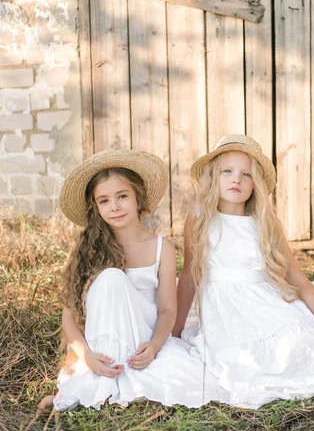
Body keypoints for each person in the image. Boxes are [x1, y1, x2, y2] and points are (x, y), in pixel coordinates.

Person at [172, 134, 314, 409]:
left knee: (297, 341)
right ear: (213, 177)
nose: (236, 180)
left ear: (255, 184)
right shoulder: (199, 217)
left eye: (246, 174)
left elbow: (297, 278)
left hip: (266, 303)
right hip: (226, 311)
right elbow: (189, 278)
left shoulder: (264, 223)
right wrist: (175, 329)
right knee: (245, 359)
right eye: (227, 172)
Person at [39, 149, 227, 412]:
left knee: (198, 381)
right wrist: (87, 357)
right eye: (104, 201)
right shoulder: (90, 250)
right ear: (96, 208)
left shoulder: (162, 247)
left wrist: (155, 345)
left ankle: (109, 384)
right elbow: (69, 317)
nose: (114, 206)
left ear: (138, 198)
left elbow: (166, 310)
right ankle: (95, 380)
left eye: (122, 196)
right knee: (111, 278)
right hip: (102, 344)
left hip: (141, 338)